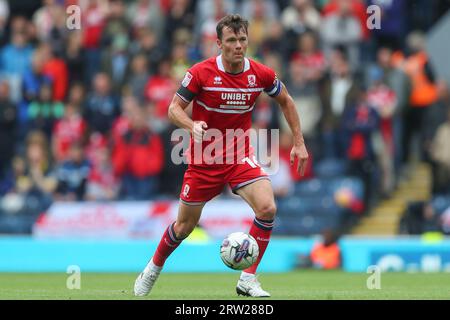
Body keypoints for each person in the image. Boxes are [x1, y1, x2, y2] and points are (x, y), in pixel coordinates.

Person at [134, 14, 309, 298]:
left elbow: (286, 100)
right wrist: (192, 125)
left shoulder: (260, 74)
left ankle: (248, 279)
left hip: (239, 156)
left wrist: (298, 142)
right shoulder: (201, 73)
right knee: (184, 227)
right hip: (204, 161)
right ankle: (153, 268)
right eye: (231, 40)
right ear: (219, 43)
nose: (238, 46)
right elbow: (173, 109)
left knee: (268, 208)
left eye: (242, 40)